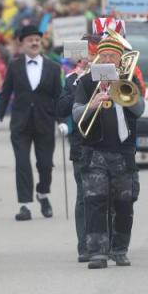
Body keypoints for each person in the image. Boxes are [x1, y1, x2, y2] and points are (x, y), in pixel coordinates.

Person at [71, 35, 144, 269]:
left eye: (113, 55)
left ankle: (120, 249)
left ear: (120, 59)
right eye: (104, 55)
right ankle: (97, 253)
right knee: (95, 201)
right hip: (94, 152)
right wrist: (92, 105)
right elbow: (75, 113)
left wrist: (118, 89)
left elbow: (140, 109)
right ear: (98, 59)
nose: (108, 59)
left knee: (125, 202)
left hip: (124, 152)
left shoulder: (130, 80)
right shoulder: (85, 83)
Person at [0, 25, 63, 221]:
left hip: (44, 123)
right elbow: (5, 94)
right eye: (30, 40)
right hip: (20, 124)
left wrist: (61, 121)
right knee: (22, 163)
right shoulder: (14, 66)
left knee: (45, 164)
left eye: (37, 39)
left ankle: (43, 193)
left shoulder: (53, 67)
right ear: (22, 44)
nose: (34, 43)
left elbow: (58, 97)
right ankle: (24, 205)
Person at [57, 39, 94, 263]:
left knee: (102, 197)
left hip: (102, 142)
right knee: (83, 196)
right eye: (84, 55)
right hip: (80, 144)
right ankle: (84, 245)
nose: (87, 59)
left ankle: (105, 241)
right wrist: (78, 83)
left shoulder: (106, 77)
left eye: (90, 54)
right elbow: (61, 108)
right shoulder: (71, 80)